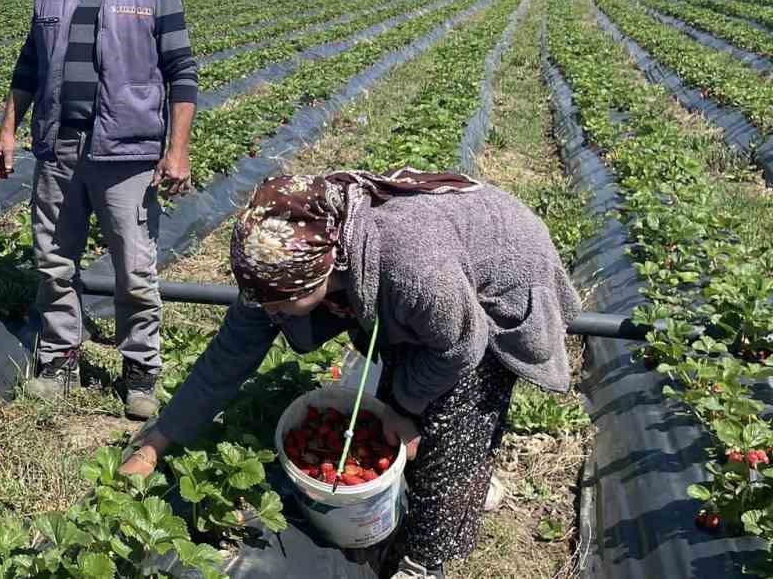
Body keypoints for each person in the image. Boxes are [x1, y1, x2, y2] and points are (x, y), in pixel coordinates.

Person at [121, 169, 582, 579]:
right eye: (264, 301)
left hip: (497, 279)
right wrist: (160, 439)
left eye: (283, 303)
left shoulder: (411, 269)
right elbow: (227, 357)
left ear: (324, 271)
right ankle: (453, 477)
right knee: (404, 399)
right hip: (437, 291)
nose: (272, 312)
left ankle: (426, 558)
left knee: (453, 422)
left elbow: (462, 345)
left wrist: (404, 409)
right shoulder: (276, 265)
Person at [0, 0, 198, 421]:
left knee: (134, 268)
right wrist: (8, 128)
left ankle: (140, 370)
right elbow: (29, 63)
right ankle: (60, 357)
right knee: (54, 262)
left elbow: (181, 70)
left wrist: (178, 149)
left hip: (126, 152)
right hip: (60, 146)